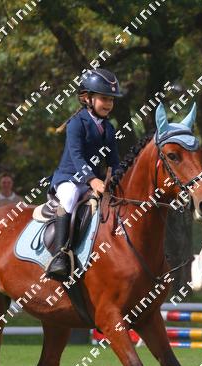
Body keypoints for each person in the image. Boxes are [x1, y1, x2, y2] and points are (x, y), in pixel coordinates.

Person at [45, 69, 122, 279]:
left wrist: (119, 176)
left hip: (93, 182)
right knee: (70, 197)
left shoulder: (109, 128)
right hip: (69, 178)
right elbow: (77, 157)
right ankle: (60, 256)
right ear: (87, 98)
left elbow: (114, 161)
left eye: (111, 100)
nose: (109, 104)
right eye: (104, 98)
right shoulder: (76, 123)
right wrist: (92, 180)